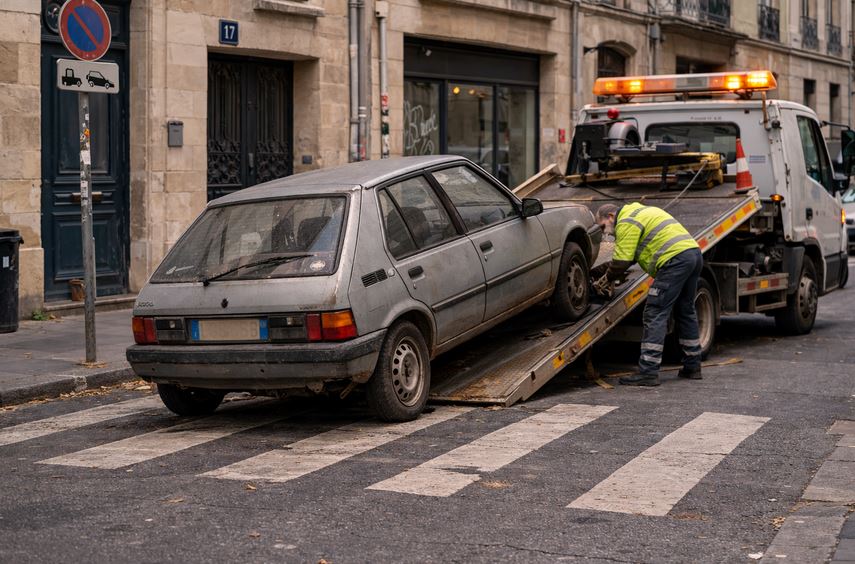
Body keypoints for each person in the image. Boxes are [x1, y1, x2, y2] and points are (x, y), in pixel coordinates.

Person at [594, 203, 703, 386]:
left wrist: (605, 280)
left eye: (603, 226)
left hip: (674, 261)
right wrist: (601, 272)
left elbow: (621, 261)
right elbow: (629, 259)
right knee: (686, 311)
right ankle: (692, 366)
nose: (607, 233)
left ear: (611, 216)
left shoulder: (626, 221)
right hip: (692, 254)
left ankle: (648, 372)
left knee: (654, 313)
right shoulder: (638, 213)